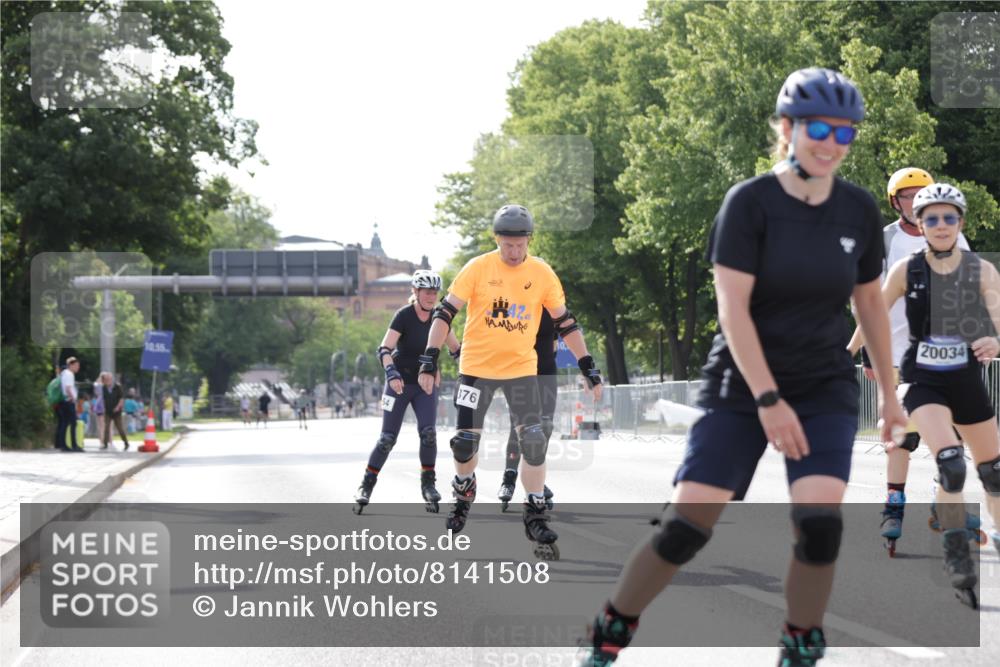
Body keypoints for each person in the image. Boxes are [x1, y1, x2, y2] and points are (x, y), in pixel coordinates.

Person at [575, 68, 906, 667]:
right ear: (787, 128)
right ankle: (611, 629)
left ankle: (799, 645)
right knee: (686, 529)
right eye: (818, 128)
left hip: (823, 383)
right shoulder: (750, 203)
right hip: (741, 384)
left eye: (845, 131)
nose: (832, 142)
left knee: (821, 527)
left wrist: (891, 395)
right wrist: (768, 400)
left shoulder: (856, 210)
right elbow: (733, 312)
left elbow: (869, 307)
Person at [418, 204, 603, 560]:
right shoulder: (478, 268)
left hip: (521, 368)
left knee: (533, 440)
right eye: (507, 245)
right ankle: (464, 486)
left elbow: (566, 323)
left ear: (528, 240)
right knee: (463, 444)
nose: (514, 252)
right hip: (476, 368)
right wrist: (429, 358)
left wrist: (588, 366)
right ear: (497, 239)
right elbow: (444, 313)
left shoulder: (542, 273)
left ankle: (534, 513)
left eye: (520, 245)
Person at [876, 183, 1000, 608]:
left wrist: (995, 341)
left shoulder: (980, 269)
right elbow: (872, 316)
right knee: (950, 463)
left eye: (949, 218)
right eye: (932, 218)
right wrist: (876, 379)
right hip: (921, 379)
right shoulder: (904, 270)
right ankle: (955, 552)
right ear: (919, 224)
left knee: (994, 472)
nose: (941, 225)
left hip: (965, 377)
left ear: (960, 223)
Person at [847, 168, 972, 555]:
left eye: (922, 193)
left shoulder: (951, 234)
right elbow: (868, 302)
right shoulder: (884, 241)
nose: (917, 200)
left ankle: (942, 501)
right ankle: (894, 509)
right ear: (896, 201)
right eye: (908, 195)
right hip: (896, 354)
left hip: (944, 354)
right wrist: (863, 350)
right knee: (901, 441)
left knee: (949, 439)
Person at [353, 270, 461, 514]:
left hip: (426, 386)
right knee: (387, 439)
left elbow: (456, 350)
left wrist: (471, 368)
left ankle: (428, 486)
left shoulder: (440, 317)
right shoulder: (403, 315)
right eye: (427, 292)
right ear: (415, 292)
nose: (431, 297)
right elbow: (384, 349)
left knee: (429, 434)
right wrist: (391, 374)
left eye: (435, 292)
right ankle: (366, 486)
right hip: (399, 384)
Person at [497, 310, 559, 511]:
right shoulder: (518, 305)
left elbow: (556, 343)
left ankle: (535, 478)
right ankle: (509, 477)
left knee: (545, 427)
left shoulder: (554, 306)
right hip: (519, 375)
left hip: (546, 375)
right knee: (522, 429)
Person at [56, 358, 82, 452]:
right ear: (71, 365)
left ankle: (63, 445)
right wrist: (73, 398)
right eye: (76, 365)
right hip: (68, 401)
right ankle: (73, 445)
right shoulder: (69, 374)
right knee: (72, 423)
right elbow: (68, 388)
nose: (78, 367)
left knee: (65, 423)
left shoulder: (64, 373)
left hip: (65, 401)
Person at [100, 372, 130, 450]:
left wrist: (118, 407)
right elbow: (104, 398)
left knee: (119, 427)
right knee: (106, 427)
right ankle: (105, 444)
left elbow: (121, 398)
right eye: (105, 379)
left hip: (117, 412)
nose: (107, 381)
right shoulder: (104, 387)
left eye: (108, 379)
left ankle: (126, 442)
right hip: (108, 411)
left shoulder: (117, 387)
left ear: (111, 379)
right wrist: (103, 408)